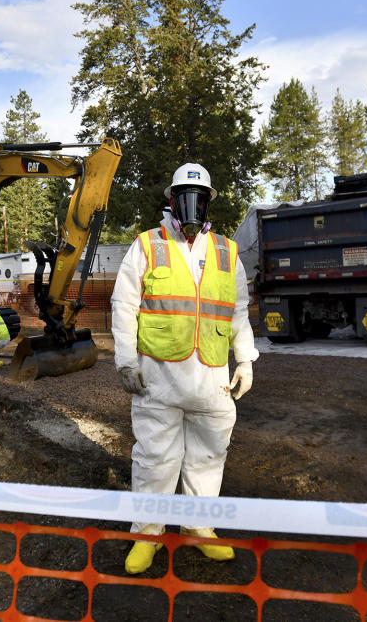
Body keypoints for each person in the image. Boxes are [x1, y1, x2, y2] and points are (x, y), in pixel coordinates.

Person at [111, 162, 259, 575]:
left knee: (208, 458)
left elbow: (238, 312)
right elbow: (124, 307)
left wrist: (245, 358)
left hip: (212, 378)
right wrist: (125, 360)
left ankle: (198, 528)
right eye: (183, 197)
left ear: (208, 201)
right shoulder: (146, 245)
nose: (190, 206)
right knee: (155, 458)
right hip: (158, 377)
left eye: (198, 197)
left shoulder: (228, 253)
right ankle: (147, 535)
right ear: (171, 201)